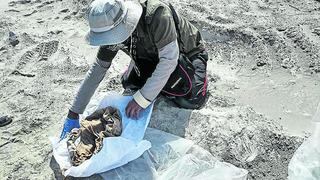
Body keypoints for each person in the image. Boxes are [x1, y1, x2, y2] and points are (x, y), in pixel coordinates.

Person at [60, 0, 209, 139]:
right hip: (148, 55)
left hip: (186, 54)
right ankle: (142, 72)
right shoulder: (109, 26)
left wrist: (142, 99)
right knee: (129, 84)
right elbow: (99, 68)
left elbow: (169, 60)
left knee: (191, 99)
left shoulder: (157, 14)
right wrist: (74, 113)